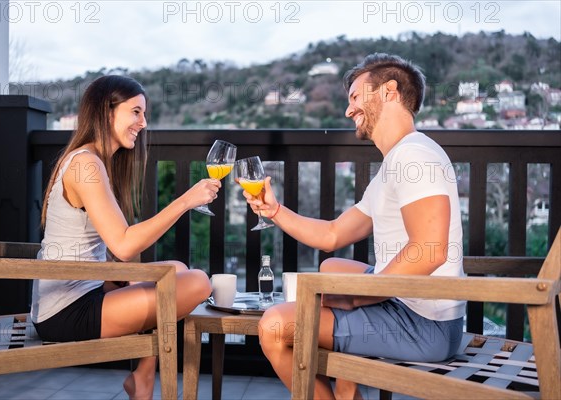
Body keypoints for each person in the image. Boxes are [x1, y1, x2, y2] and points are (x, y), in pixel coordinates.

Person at [244, 53, 465, 399]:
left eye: (356, 97)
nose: (348, 111)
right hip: (411, 308)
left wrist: (360, 296)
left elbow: (431, 250)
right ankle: (347, 391)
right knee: (332, 266)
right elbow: (333, 234)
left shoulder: (414, 157)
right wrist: (275, 211)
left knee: (274, 325)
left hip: (424, 326)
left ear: (389, 92)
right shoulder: (397, 162)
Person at [30, 75, 216, 400]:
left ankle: (142, 378)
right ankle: (143, 381)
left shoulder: (93, 160)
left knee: (176, 268)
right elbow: (124, 244)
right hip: (66, 310)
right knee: (197, 282)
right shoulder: (86, 165)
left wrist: (124, 276)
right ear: (107, 111)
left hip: (87, 287)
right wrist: (185, 201)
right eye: (136, 112)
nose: (143, 123)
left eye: (144, 114)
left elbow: (114, 250)